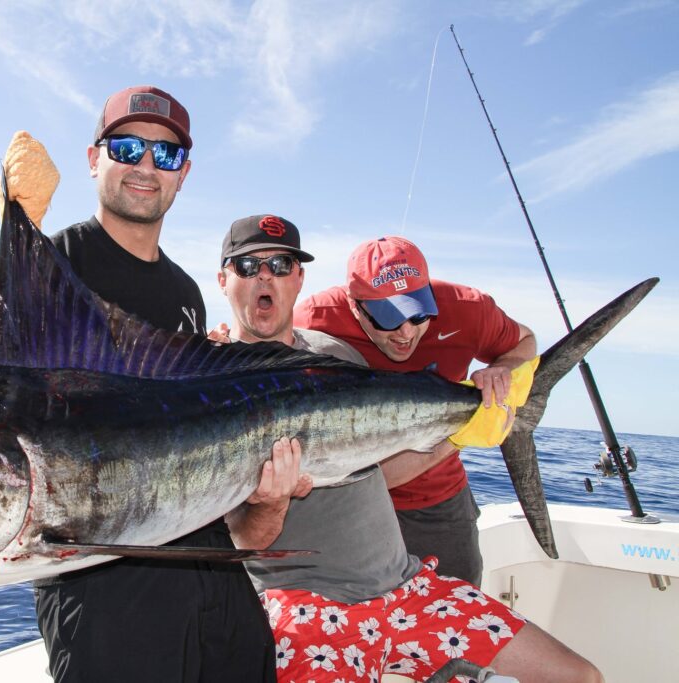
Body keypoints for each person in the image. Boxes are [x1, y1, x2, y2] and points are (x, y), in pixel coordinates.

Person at [0, 86, 281, 683]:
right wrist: (17, 238)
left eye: (165, 155)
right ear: (95, 159)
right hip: (101, 574)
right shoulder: (58, 258)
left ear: (183, 175)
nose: (145, 166)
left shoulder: (187, 292)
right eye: (128, 147)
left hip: (206, 558)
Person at [216, 215, 602, 682]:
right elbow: (243, 539)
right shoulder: (220, 379)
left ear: (298, 278)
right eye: (248, 266)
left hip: (408, 584)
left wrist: (492, 395)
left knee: (580, 676)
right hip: (307, 605)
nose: (266, 277)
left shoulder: (338, 355)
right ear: (223, 280)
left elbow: (377, 467)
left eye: (280, 265)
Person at [293, 236, 536, 586]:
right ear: (354, 304)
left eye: (417, 313)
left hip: (436, 503)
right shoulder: (314, 319)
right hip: (347, 505)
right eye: (386, 318)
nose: (406, 332)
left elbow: (524, 343)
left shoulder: (467, 307)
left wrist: (506, 367)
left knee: (458, 622)